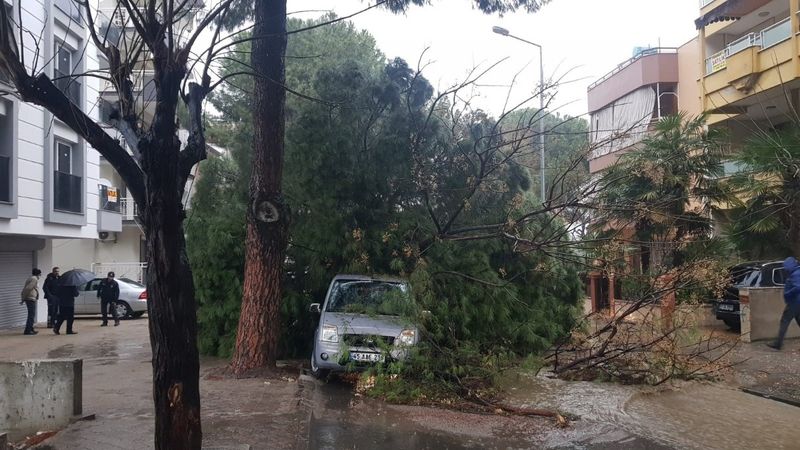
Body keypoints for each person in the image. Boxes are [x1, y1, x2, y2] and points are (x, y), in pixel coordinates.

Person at [768, 256, 800, 350]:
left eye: (786, 267)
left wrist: (788, 294)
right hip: (796, 302)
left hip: (795, 302)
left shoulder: (796, 274)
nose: (785, 269)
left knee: (784, 321)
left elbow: (798, 287)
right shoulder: (795, 272)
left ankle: (778, 344)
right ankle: (778, 343)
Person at [20, 268, 41, 335]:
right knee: (31, 315)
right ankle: (28, 330)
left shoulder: (31, 278)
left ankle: (31, 329)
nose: (40, 275)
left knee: (31, 314)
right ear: (38, 274)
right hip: (30, 298)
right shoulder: (34, 279)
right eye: (40, 274)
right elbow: (28, 288)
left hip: (30, 298)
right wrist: (23, 298)